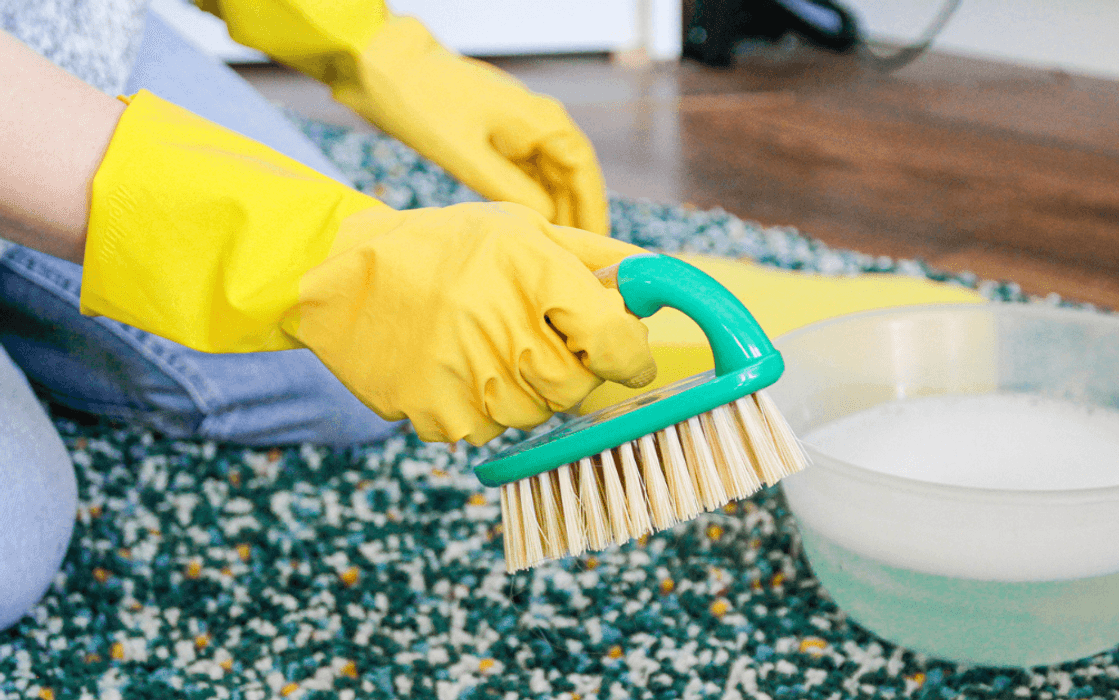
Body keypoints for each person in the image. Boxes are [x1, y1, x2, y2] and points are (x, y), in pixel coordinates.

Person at [0, 0, 657, 630]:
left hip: (64, 42)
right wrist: (318, 257)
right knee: (11, 544)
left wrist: (376, 49)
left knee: (347, 382)